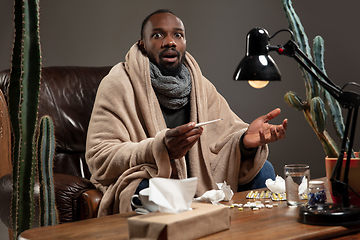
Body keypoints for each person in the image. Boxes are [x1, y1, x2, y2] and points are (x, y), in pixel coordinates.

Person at [85, 9, 287, 216]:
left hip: (202, 179)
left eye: (178, 35)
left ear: (184, 42)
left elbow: (226, 137)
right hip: (152, 178)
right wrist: (159, 149)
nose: (170, 42)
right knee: (147, 191)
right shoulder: (117, 84)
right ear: (142, 44)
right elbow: (99, 157)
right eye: (158, 35)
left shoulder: (200, 85)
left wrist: (244, 142)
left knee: (265, 170)